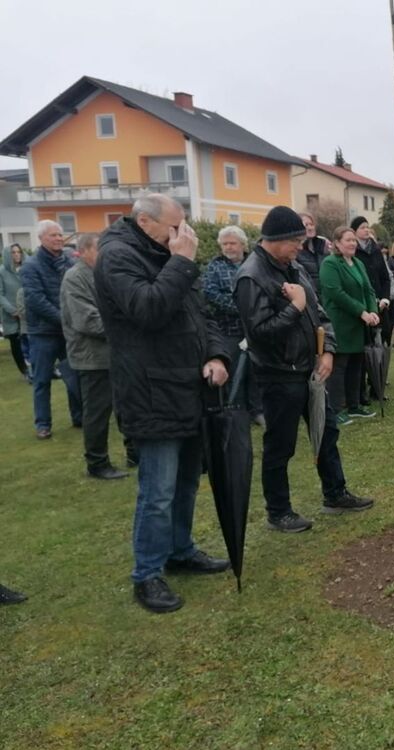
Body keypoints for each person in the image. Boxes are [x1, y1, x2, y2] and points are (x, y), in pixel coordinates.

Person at [94, 194, 232, 614]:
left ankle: (180, 550)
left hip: (188, 387)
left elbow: (202, 315)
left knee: (187, 480)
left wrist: (217, 355)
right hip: (150, 392)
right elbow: (149, 308)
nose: (183, 233)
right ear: (144, 222)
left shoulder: (170, 254)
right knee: (158, 490)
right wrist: (181, 262)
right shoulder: (118, 257)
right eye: (174, 226)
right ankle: (147, 574)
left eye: (183, 224)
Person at [234, 206, 374, 534]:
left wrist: (327, 351)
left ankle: (335, 493)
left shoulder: (293, 267)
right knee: (280, 444)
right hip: (278, 372)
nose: (301, 246)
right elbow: (260, 333)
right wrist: (295, 307)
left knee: (326, 432)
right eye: (295, 241)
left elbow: (320, 313)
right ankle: (278, 511)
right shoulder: (251, 276)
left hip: (311, 369)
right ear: (276, 239)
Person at [60, 233, 132, 480]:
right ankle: (97, 463)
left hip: (115, 352)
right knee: (98, 412)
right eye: (100, 249)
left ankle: (134, 452)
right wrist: (126, 328)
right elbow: (86, 320)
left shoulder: (103, 275)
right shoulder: (75, 278)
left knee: (126, 405)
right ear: (84, 251)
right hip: (93, 357)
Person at [21, 220, 83, 439]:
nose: (58, 238)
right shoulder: (31, 266)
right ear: (41, 239)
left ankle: (79, 417)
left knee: (74, 376)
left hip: (68, 332)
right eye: (53, 235)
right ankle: (43, 424)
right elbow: (36, 300)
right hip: (42, 332)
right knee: (42, 379)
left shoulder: (70, 261)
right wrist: (65, 319)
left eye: (59, 234)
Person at [202, 225, 264, 425]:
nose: (228, 247)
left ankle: (257, 410)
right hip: (228, 328)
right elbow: (210, 293)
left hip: (255, 328)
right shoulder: (215, 266)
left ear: (243, 245)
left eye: (232, 243)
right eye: (225, 244)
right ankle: (236, 410)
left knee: (255, 370)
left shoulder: (255, 263)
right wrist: (240, 308)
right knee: (234, 370)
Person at [319, 226, 381, 424]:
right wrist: (361, 311)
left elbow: (368, 290)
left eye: (354, 240)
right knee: (339, 367)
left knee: (356, 365)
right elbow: (336, 293)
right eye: (348, 240)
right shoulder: (330, 264)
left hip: (359, 323)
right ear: (337, 243)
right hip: (340, 322)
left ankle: (354, 406)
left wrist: (373, 310)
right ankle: (336, 409)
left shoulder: (358, 263)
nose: (353, 243)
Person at [350, 216, 392, 401]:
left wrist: (385, 298)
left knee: (380, 346)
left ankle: (377, 387)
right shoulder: (354, 252)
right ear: (354, 231)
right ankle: (361, 392)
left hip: (380, 306)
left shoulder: (375, 250)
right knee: (364, 350)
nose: (366, 230)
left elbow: (385, 277)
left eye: (367, 227)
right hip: (363, 306)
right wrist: (369, 303)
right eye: (362, 227)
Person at [1, 243, 29, 379]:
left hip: (28, 312)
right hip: (11, 315)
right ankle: (25, 371)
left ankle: (45, 368)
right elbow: (0, 294)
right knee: (16, 343)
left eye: (19, 252)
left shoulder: (27, 268)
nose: (17, 255)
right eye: (13, 252)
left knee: (35, 341)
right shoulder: (2, 272)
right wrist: (13, 311)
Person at [295, 211, 330, 293]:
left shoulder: (323, 246)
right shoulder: (295, 250)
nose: (310, 228)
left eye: (311, 224)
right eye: (306, 225)